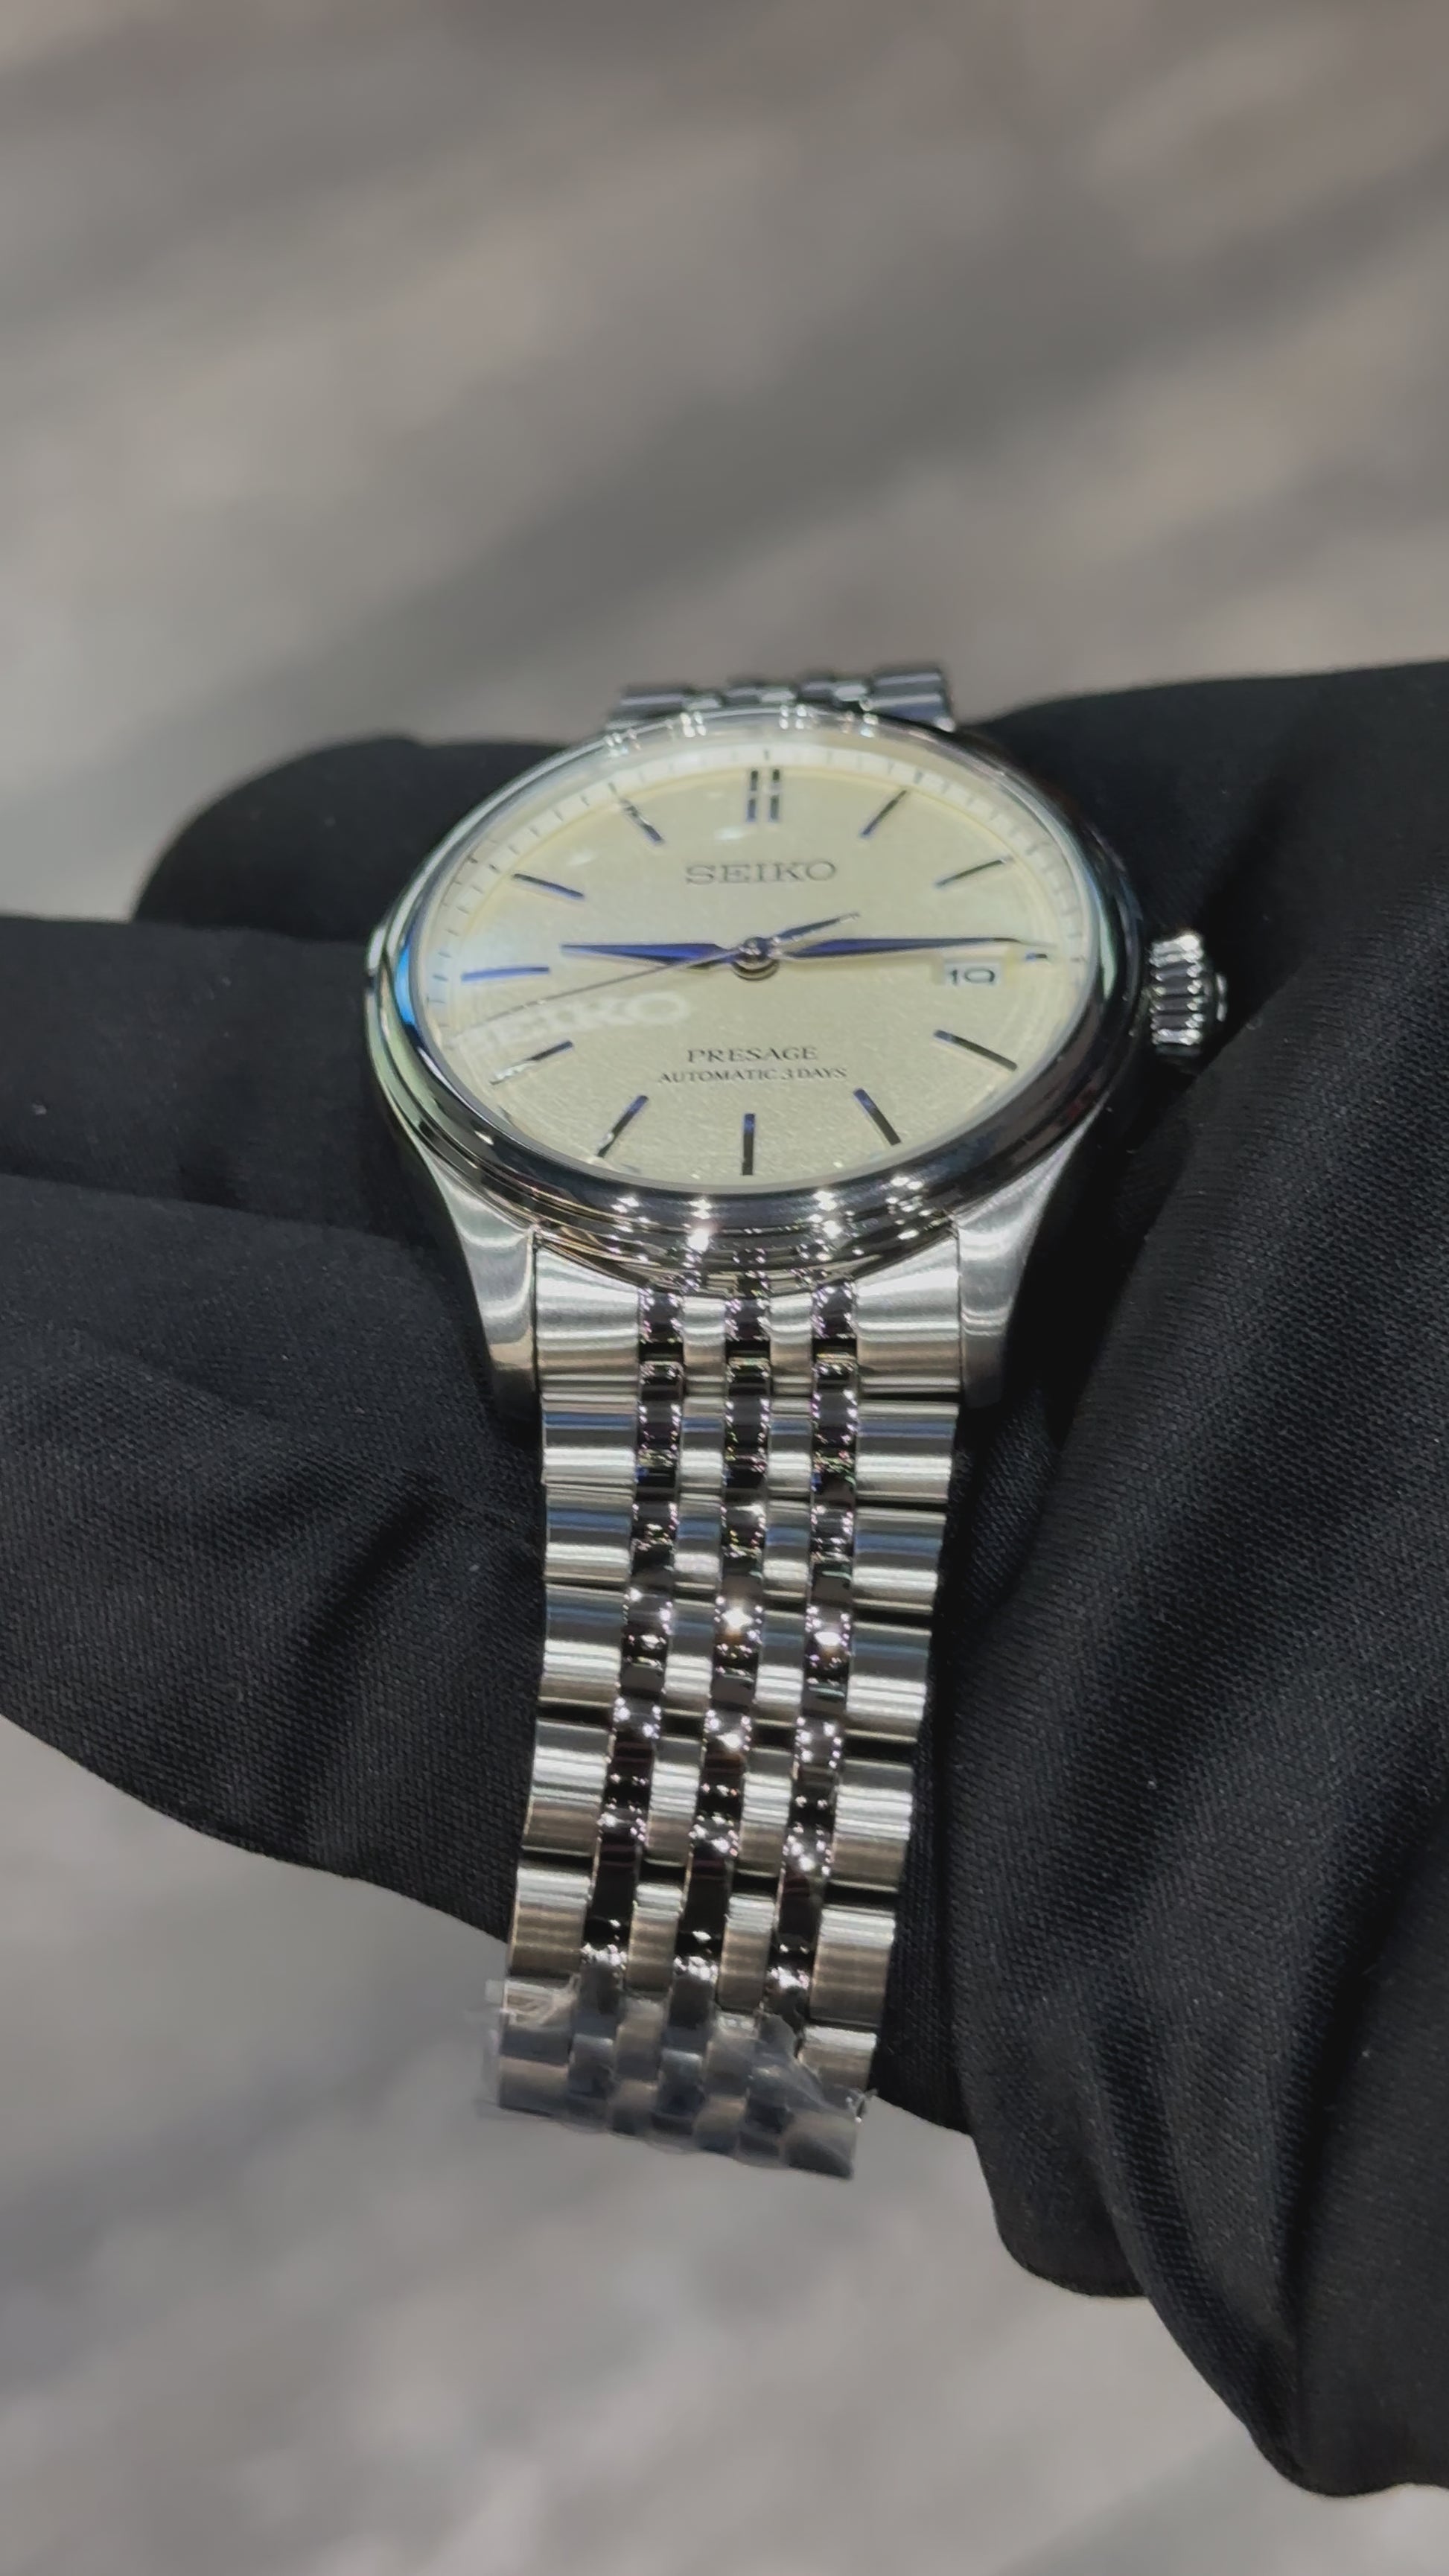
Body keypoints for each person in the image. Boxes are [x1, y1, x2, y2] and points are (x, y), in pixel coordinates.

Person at [4, 659, 1448, 2493]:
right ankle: (701, 2005)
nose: (754, 958)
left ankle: (699, 2006)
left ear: (1154, 998)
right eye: (728, 947)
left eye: (789, 945)